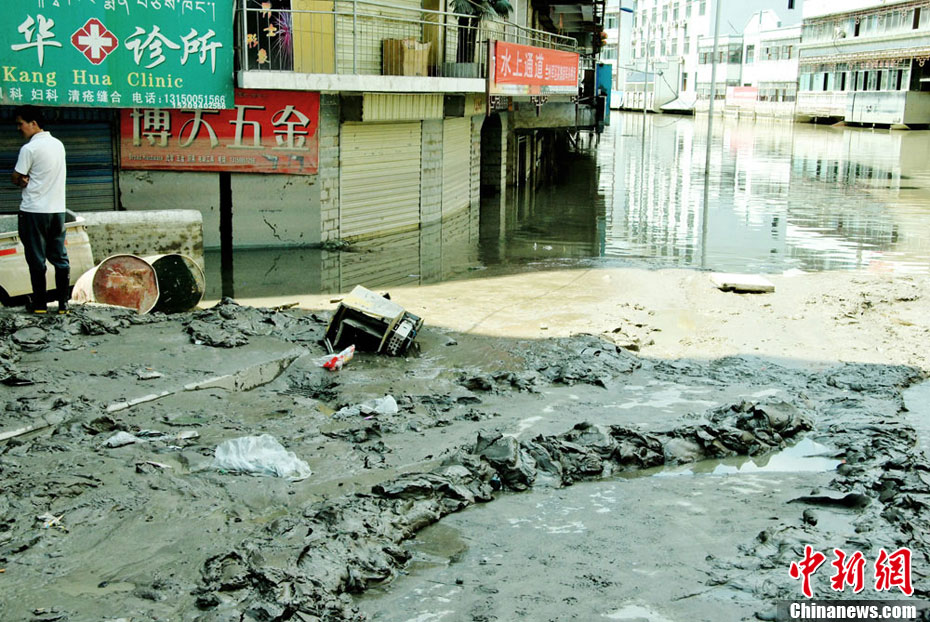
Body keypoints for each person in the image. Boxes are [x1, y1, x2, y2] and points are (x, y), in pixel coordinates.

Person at [11, 105, 70, 314]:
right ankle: (63, 305)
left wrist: (22, 180)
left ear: (33, 123)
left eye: (21, 124)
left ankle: (39, 306)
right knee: (60, 258)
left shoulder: (29, 149)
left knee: (36, 260)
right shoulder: (58, 145)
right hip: (57, 210)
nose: (19, 128)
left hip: (33, 211)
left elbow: (16, 177)